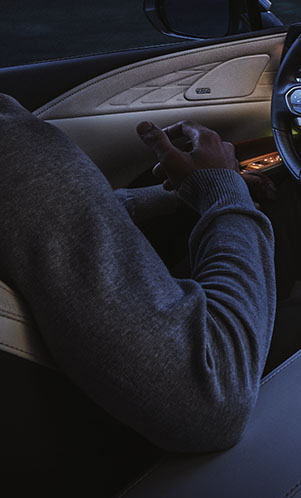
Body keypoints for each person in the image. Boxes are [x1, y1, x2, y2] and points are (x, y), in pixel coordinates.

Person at [0, 93, 275, 454]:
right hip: (111, 447)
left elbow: (37, 213)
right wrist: (225, 194)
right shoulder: (12, 147)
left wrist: (179, 194)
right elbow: (214, 394)